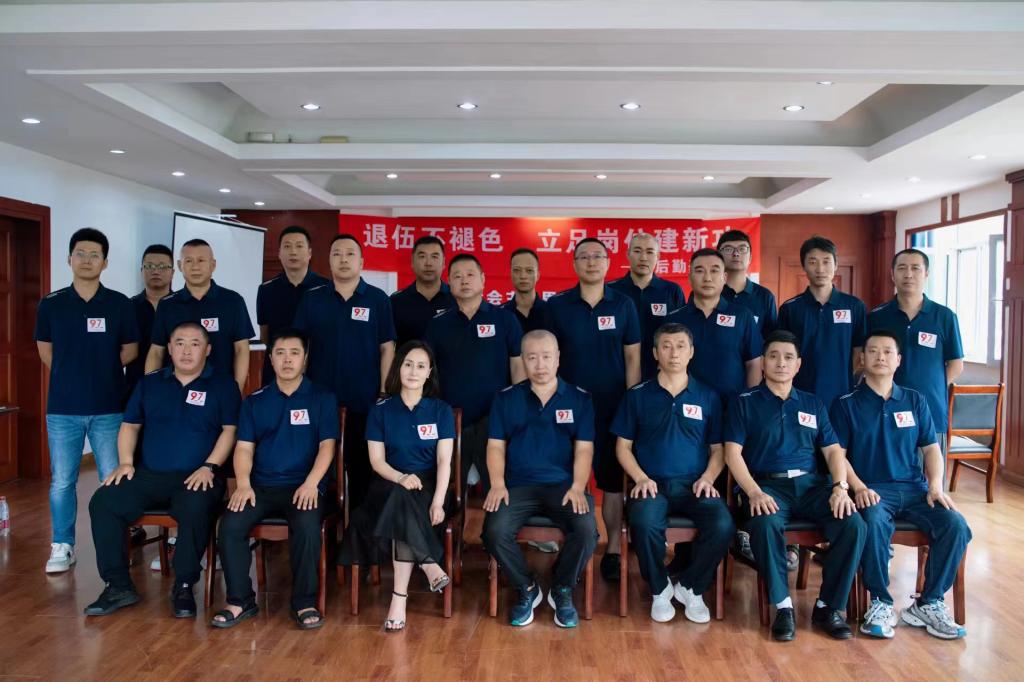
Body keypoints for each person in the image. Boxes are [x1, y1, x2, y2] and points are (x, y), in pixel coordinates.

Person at [85, 322, 240, 618]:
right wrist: (125, 462)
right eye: (179, 343)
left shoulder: (223, 385)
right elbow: (130, 425)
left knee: (195, 505)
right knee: (103, 502)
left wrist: (210, 466)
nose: (186, 350)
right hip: (149, 475)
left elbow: (229, 431)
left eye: (195, 344)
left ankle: (184, 585)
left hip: (198, 476)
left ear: (207, 350)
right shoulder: (150, 383)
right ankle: (118, 585)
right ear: (169, 348)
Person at [724, 330, 866, 642]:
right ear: (763, 363)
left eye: (788, 357)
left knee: (853, 523)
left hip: (811, 486)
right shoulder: (744, 402)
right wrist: (753, 492)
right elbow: (732, 453)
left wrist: (840, 487)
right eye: (773, 356)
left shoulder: (813, 403)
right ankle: (783, 607)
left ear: (798, 365)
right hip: (767, 486)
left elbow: (833, 451)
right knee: (764, 523)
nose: (781, 363)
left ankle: (828, 606)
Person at [831, 330, 972, 640]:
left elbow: (931, 448)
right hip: (873, 489)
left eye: (887, 352)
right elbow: (837, 455)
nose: (880, 357)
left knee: (956, 525)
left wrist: (935, 486)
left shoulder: (914, 400)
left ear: (898, 360)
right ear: (862, 359)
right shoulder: (845, 404)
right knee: (872, 521)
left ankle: (928, 602)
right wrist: (858, 487)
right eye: (873, 351)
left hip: (915, 490)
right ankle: (880, 602)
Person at [211, 328, 338, 630]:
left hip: (304, 486)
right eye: (280, 353)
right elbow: (244, 448)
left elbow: (327, 447)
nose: (287, 360)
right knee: (230, 524)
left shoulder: (323, 398)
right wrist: (243, 484)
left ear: (305, 359)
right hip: (261, 487)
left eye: (294, 353)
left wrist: (312, 483)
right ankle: (240, 600)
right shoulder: (255, 401)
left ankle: (304, 601)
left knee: (307, 527)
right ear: (270, 359)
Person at [612, 322, 734, 623]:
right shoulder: (637, 395)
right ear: (655, 353)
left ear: (691, 352)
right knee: (643, 522)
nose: (674, 353)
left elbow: (718, 450)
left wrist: (708, 478)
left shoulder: (707, 396)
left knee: (723, 524)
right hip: (651, 484)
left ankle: (691, 587)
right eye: (666, 346)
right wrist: (640, 478)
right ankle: (659, 589)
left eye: (681, 346)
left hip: (695, 485)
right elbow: (622, 447)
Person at [34, 227, 138, 574]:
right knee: (63, 480)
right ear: (69, 259)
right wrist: (74, 373)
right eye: (81, 253)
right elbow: (45, 351)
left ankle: (117, 541)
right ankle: (62, 545)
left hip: (109, 405)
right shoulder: (51, 303)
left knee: (112, 476)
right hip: (63, 408)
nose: (87, 260)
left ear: (105, 263)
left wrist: (99, 371)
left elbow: (130, 350)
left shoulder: (119, 304)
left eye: (95, 255)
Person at [481, 330, 599, 628]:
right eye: (532, 358)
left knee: (586, 529)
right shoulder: (506, 398)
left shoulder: (579, 399)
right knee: (494, 530)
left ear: (558, 358)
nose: (540, 364)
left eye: (546, 356)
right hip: (517, 486)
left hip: (563, 487)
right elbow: (495, 446)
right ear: (523, 360)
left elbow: (584, 449)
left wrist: (578, 486)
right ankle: (526, 586)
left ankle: (562, 587)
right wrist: (497, 483)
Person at [339, 341, 455, 632]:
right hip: (387, 481)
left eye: (420, 366)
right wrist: (401, 477)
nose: (413, 371)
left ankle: (398, 600)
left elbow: (444, 462)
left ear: (429, 372)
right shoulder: (381, 410)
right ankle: (428, 564)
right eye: (407, 364)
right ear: (398, 368)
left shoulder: (440, 410)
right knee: (399, 495)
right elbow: (377, 462)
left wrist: (438, 501)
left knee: (404, 504)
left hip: (428, 486)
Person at [545, 238, 640, 582]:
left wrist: (632, 403)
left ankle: (612, 548)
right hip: (567, 411)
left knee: (613, 482)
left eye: (597, 256)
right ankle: (573, 546)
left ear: (608, 262)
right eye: (583, 257)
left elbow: (633, 356)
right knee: (569, 478)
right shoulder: (557, 306)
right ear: (574, 264)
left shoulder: (624, 304)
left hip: (613, 407)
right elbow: (547, 358)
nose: (591, 262)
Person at [293, 234, 396, 511]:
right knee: (320, 470)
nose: (343, 259)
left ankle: (358, 534)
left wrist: (384, 391)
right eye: (337, 254)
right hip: (319, 401)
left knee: (362, 471)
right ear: (328, 261)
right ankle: (325, 528)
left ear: (361, 261)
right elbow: (300, 348)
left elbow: (387, 348)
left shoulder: (377, 299)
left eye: (350, 254)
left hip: (364, 401)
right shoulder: (312, 299)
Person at [425, 254, 524, 491]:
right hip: (451, 419)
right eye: (457, 276)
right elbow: (427, 370)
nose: (464, 280)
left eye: (470, 275)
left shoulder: (505, 319)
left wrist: (518, 410)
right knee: (449, 491)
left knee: (497, 490)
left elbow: (518, 366)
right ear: (449, 283)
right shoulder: (438, 324)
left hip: (494, 419)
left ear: (483, 279)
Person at [867, 248, 964, 458]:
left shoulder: (945, 317)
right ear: (892, 274)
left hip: (931, 410)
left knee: (931, 474)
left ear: (926, 273)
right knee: (888, 470)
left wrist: (930, 386)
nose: (908, 274)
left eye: (915, 268)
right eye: (902, 268)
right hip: (884, 409)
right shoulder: (877, 317)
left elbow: (956, 364)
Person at [146, 238, 254, 391]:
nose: (195, 267)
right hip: (175, 392)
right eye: (189, 261)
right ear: (180, 265)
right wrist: (151, 390)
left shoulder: (233, 301)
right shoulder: (167, 305)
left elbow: (241, 350)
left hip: (220, 392)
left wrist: (236, 391)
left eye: (201, 260)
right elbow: (156, 352)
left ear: (213, 265)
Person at [777, 236, 867, 411]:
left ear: (836, 265)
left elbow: (859, 353)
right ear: (803, 266)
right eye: (813, 262)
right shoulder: (790, 308)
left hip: (842, 396)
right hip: (800, 395)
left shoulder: (855, 306)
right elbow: (784, 353)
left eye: (826, 261)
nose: (820, 269)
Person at [665, 248, 762, 399]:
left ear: (724, 277)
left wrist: (751, 402)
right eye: (700, 271)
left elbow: (754, 363)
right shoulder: (674, 319)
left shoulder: (742, 316)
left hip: (732, 405)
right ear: (690, 277)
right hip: (686, 406)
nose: (707, 278)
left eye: (714, 271)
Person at [256, 225, 330, 385]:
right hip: (278, 372)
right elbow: (265, 335)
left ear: (309, 253)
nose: (293, 252)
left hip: (317, 371)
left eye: (299, 246)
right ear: (279, 253)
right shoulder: (266, 290)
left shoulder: (327, 288)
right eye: (287, 246)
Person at [609, 232, 685, 380]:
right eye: (637, 251)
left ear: (658, 256)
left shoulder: (672, 291)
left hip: (661, 373)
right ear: (628, 254)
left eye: (650, 252)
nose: (643, 257)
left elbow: (682, 333)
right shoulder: (612, 291)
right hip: (618, 371)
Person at [125, 244, 173, 399]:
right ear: (141, 271)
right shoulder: (127, 307)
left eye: (162, 266)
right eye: (150, 266)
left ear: (173, 272)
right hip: (134, 388)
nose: (156, 271)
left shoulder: (183, 307)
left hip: (176, 388)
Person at [390, 236, 455, 347]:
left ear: (444, 262)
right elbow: (387, 345)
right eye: (422, 256)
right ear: (412, 262)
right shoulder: (396, 301)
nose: (428, 263)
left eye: (434, 257)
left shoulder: (457, 298)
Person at [717, 229, 777, 337]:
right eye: (728, 249)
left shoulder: (765, 297)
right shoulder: (710, 293)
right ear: (718, 257)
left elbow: (771, 338)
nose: (736, 254)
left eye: (742, 249)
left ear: (750, 257)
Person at [503, 247, 550, 333]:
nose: (523, 276)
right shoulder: (501, 313)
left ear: (538, 275)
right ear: (511, 274)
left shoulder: (551, 312)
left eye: (529, 270)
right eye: (517, 270)